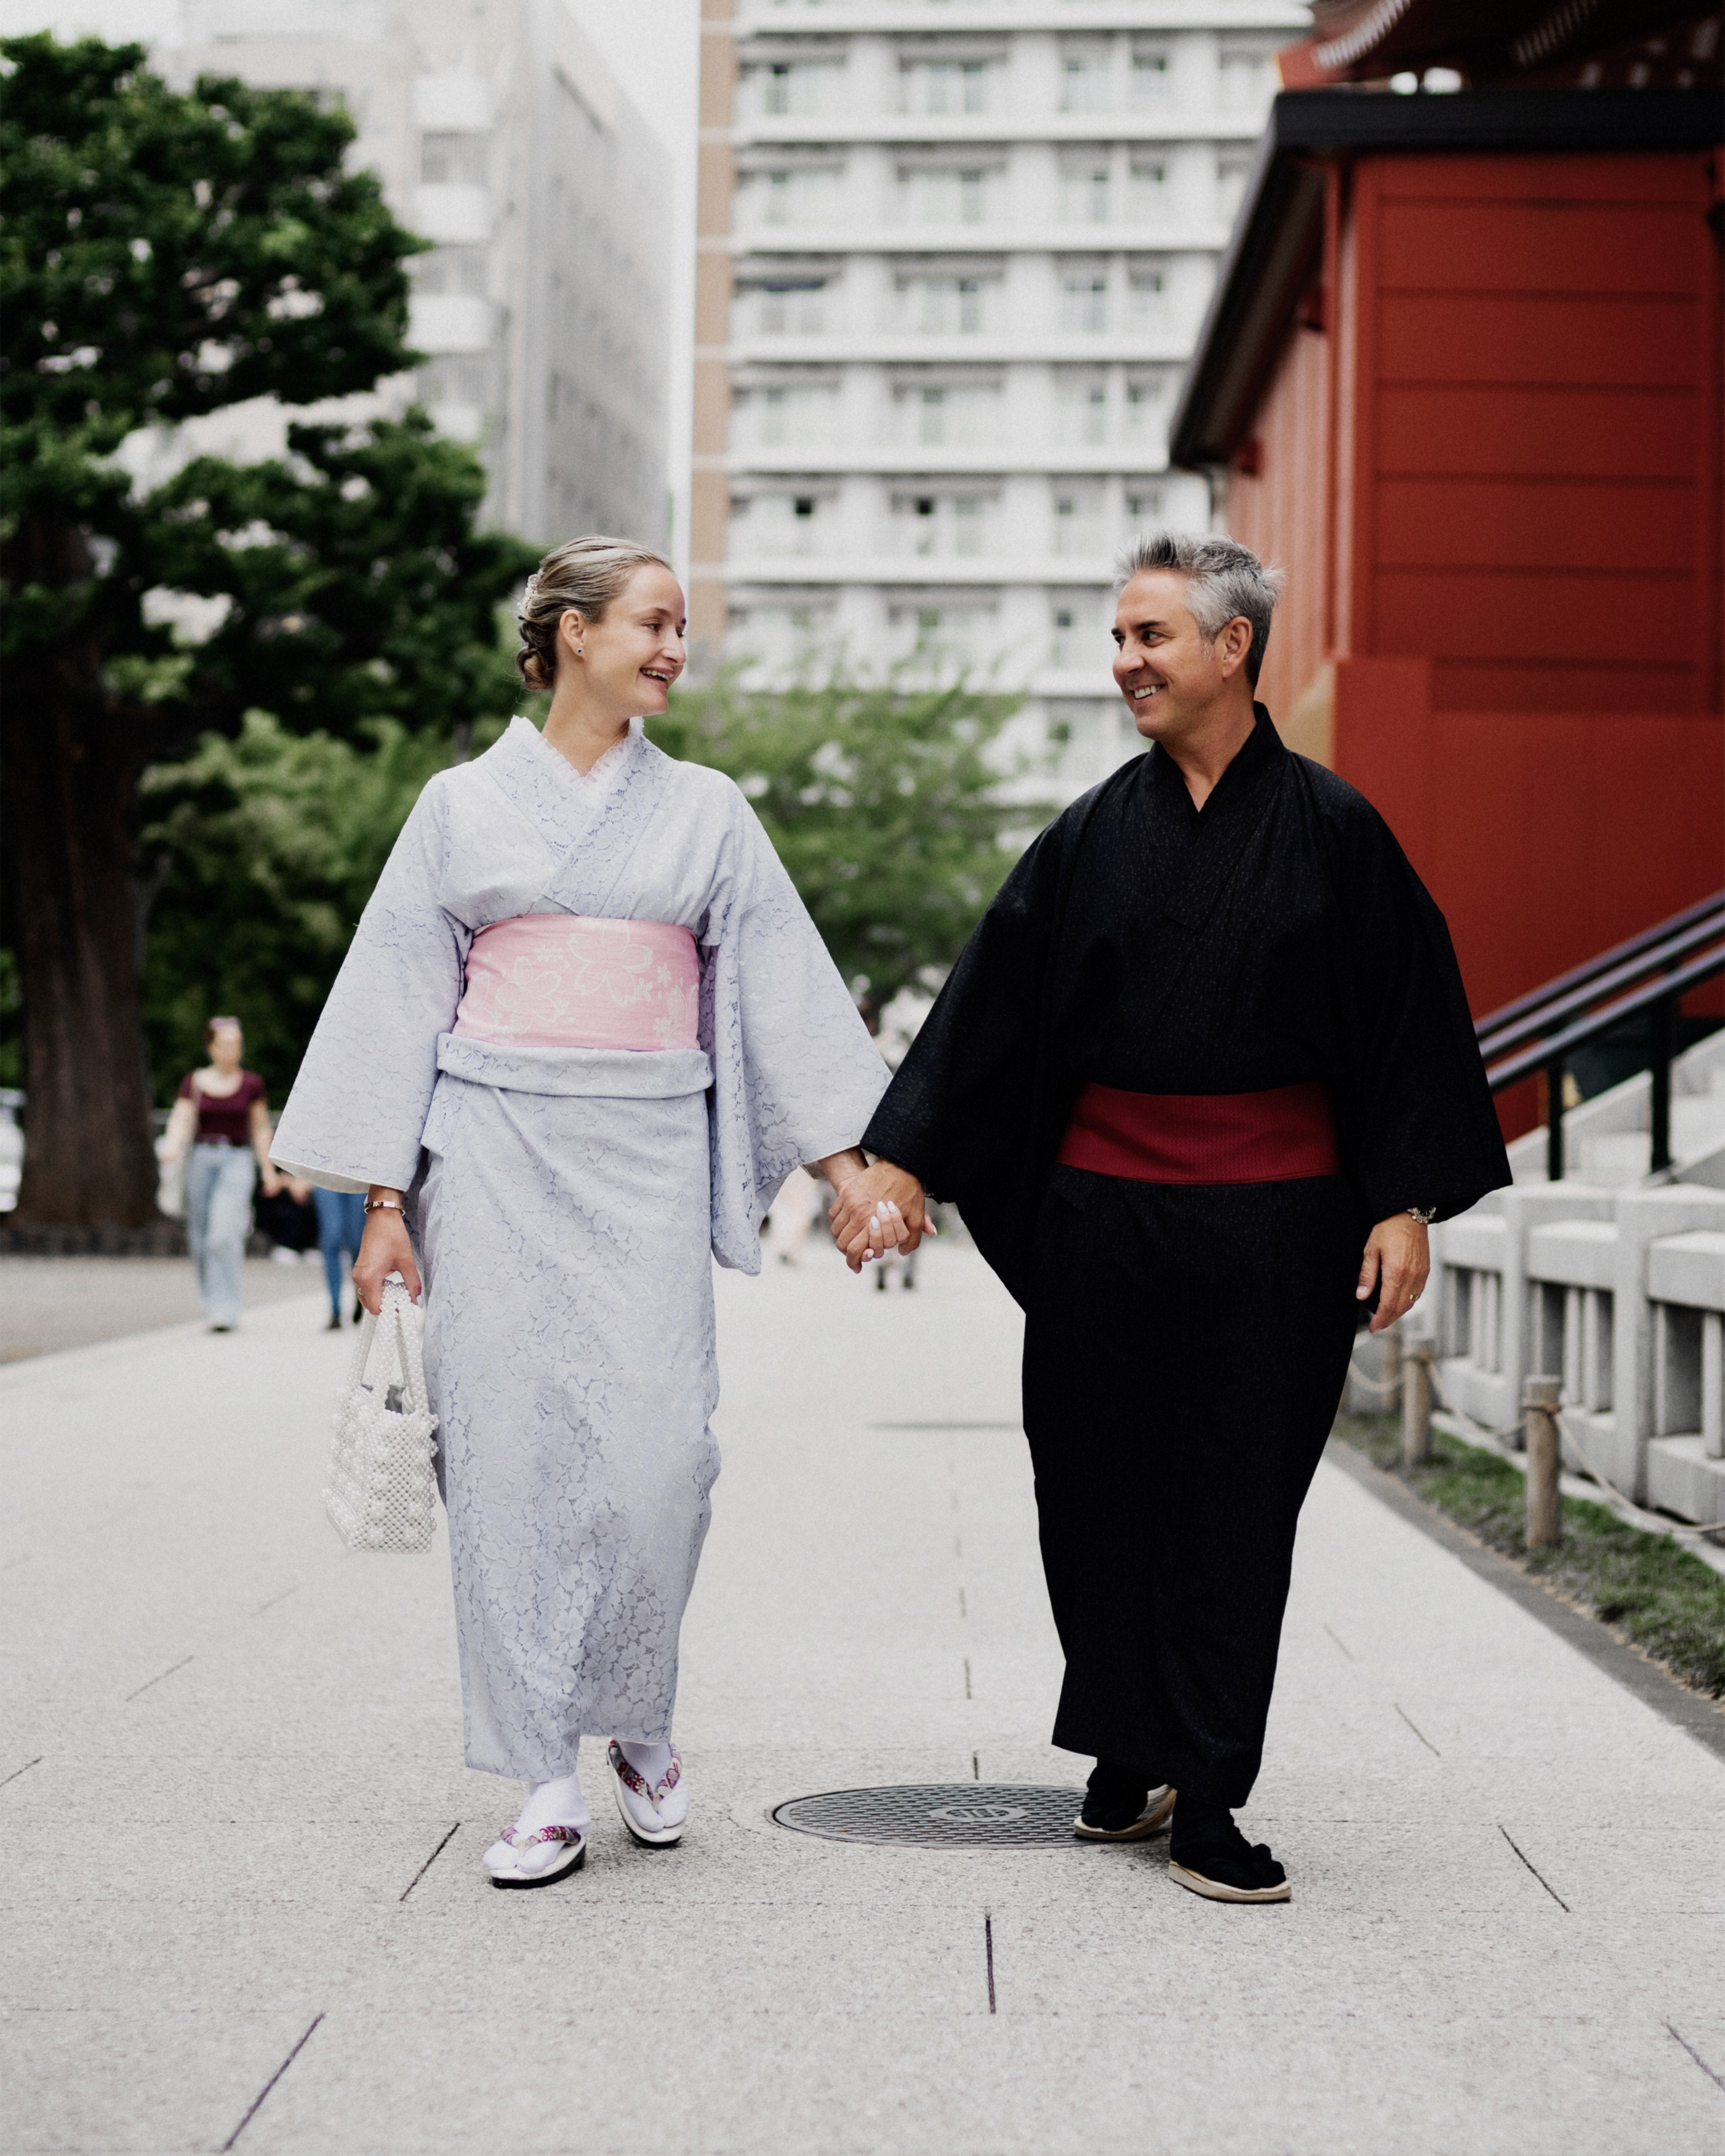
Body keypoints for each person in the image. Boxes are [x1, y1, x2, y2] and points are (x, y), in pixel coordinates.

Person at [832, 532, 1510, 1905]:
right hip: (1102, 1220)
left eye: (1147, 636)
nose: (1123, 662)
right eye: (1117, 638)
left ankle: (1206, 1784)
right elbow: (991, 1011)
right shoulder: (1088, 833)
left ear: (1229, 647)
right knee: (1087, 1483)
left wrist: (1400, 1201)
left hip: (1276, 1223)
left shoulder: (1334, 832)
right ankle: (1124, 1745)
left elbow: (1399, 1024)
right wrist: (898, 1158)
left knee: (1235, 1497)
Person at [270, 537, 892, 1888]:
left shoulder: (709, 811)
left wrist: (848, 1173)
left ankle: (643, 1713)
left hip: (649, 1144)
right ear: (566, 633)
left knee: (662, 1454)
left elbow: (784, 992)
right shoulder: (457, 806)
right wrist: (387, 1200)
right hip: (487, 1144)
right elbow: (396, 1003)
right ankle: (540, 1767)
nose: (676, 648)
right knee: (504, 1455)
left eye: (681, 628)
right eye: (653, 623)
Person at [160, 1017, 282, 1333]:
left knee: (223, 1235)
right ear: (211, 1046)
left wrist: (268, 1170)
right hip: (201, 1159)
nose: (233, 1049)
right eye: (226, 1043)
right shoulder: (195, 1082)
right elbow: (182, 1118)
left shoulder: (251, 1084)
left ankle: (227, 1310)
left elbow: (259, 1129)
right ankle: (211, 1303)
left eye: (237, 1043)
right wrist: (172, 1146)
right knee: (200, 1238)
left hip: (237, 1160)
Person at [312, 1186, 366, 1327]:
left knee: (357, 1241)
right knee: (332, 1239)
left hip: (359, 1175)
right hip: (325, 1173)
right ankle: (335, 1310)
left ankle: (361, 1296)